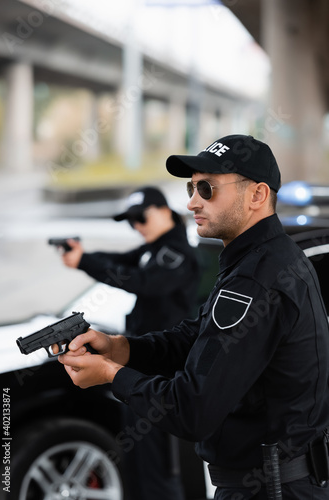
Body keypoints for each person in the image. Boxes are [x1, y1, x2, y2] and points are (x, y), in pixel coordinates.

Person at [57, 134, 329, 499]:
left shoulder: (255, 279)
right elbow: (196, 337)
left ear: (257, 196)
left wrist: (111, 375)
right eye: (191, 187)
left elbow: (192, 411)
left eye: (207, 188)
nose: (191, 202)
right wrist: (119, 347)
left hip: (269, 488)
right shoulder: (265, 259)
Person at [60, 185, 200, 500]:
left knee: (158, 467)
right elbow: (120, 260)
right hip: (138, 367)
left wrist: (86, 260)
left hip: (162, 373)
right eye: (130, 220)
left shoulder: (176, 253)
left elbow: (140, 281)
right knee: (136, 460)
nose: (136, 225)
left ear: (165, 211)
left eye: (141, 217)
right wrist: (82, 257)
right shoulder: (153, 248)